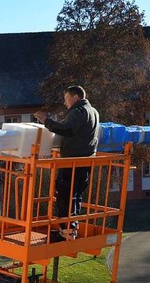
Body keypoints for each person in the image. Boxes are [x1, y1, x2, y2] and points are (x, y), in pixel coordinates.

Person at [35, 85, 99, 240]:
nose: (65, 103)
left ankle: (65, 232)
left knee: (65, 194)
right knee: (75, 195)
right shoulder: (93, 111)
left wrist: (46, 120)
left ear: (75, 97)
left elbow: (67, 129)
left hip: (72, 161)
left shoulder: (78, 111)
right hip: (85, 160)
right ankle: (70, 231)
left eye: (66, 98)